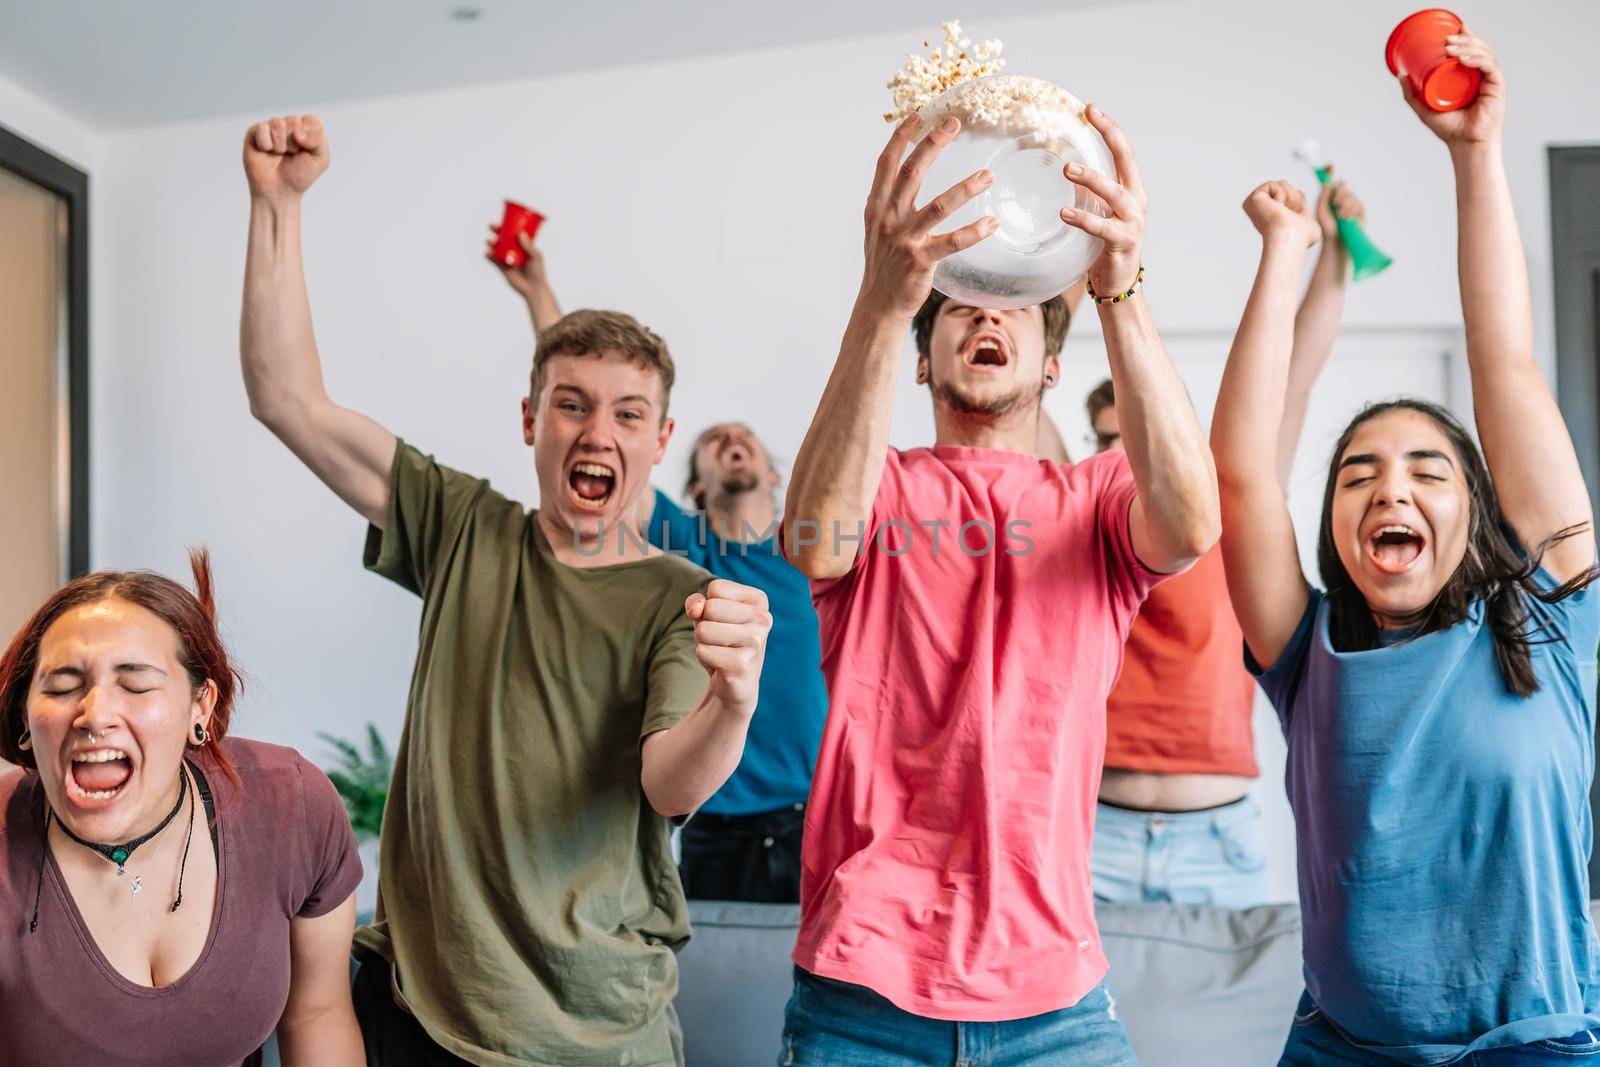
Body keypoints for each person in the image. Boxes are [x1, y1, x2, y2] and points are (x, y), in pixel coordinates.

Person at [240, 114, 772, 1066]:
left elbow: (667, 780)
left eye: (627, 413)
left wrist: (733, 703)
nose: (595, 431)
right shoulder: (462, 527)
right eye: (570, 404)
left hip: (593, 1032)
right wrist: (276, 206)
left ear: (660, 436)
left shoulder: (678, 596)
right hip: (416, 1008)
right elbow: (287, 399)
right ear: (531, 419)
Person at [779, 104, 1219, 1062]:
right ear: (926, 355)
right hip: (862, 991)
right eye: (962, 304)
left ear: (1054, 363)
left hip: (1057, 1003)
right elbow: (814, 543)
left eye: (1015, 304)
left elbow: (1191, 520)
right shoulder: (878, 486)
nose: (984, 313)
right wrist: (882, 301)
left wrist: (1121, 290)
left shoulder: (1100, 499)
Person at [1212, 30, 1600, 1063]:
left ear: (1477, 508)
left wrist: (1475, 154)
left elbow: (1505, 363)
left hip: (1545, 1046)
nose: (1391, 484)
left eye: (1428, 469)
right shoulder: (1307, 655)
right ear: (1338, 524)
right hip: (1342, 1049)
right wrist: (1284, 258)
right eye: (1358, 472)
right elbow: (1242, 472)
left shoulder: (1555, 614)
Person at [492, 240, 827, 903]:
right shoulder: (682, 539)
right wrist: (538, 296)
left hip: (815, 812)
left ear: (773, 471)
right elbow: (602, 429)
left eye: (746, 439)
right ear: (693, 479)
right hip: (714, 817)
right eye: (713, 442)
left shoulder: (814, 549)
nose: (733, 442)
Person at [1088, 175, 1370, 908]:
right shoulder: (1081, 508)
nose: (1132, 454)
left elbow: (1295, 378)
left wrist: (1333, 259)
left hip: (1215, 838)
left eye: (1143, 436)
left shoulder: (1224, 510)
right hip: (1093, 831)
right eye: (1111, 440)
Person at [0, 551, 363, 1067]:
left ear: (201, 706)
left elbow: (318, 1013)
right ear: (24, 718)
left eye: (136, 683)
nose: (95, 713)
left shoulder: (292, 804)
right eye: (62, 686)